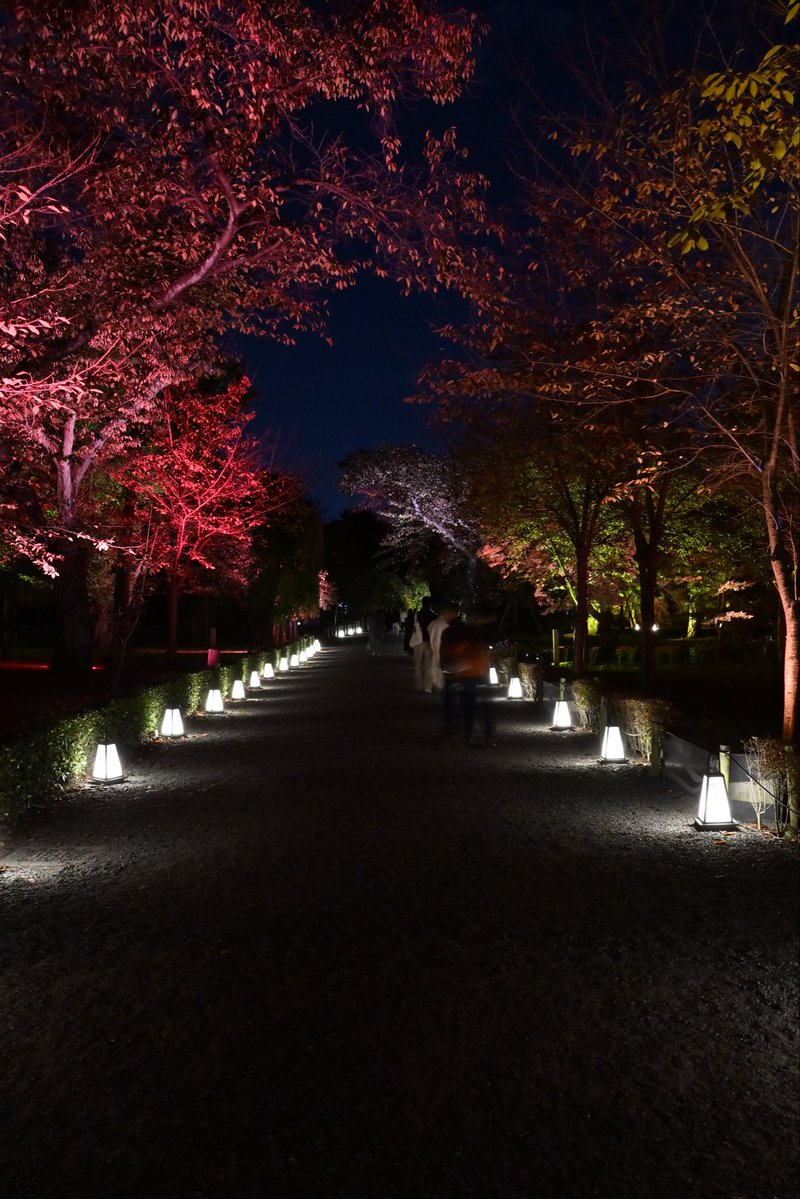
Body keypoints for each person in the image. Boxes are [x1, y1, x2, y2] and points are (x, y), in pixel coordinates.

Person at [440, 605, 497, 746]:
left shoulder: (451, 631)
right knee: (476, 705)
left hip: (459, 673)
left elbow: (447, 654)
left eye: (445, 612)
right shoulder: (471, 630)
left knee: (462, 705)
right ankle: (481, 735)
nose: (443, 616)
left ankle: (461, 733)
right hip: (475, 672)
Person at [427, 602, 459, 691]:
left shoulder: (433, 623)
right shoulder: (446, 625)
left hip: (434, 647)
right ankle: (441, 685)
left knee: (434, 666)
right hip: (444, 649)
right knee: (442, 667)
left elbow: (429, 631)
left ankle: (436, 684)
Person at [410, 595, 436, 692]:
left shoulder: (418, 614)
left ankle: (419, 685)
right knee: (428, 665)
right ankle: (428, 687)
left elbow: (414, 628)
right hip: (429, 642)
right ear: (430, 604)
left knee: (418, 664)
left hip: (418, 641)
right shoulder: (433, 615)